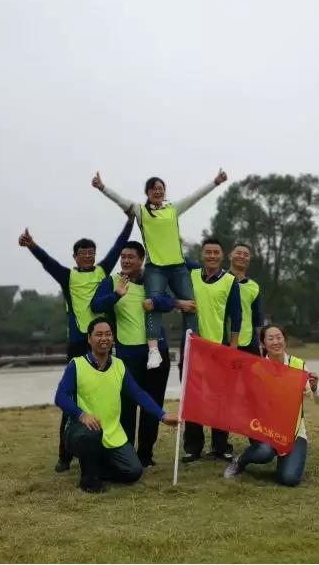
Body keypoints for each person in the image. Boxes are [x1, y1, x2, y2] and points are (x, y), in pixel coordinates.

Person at [18, 217, 133, 472]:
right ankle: (65, 456)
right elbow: (48, 263)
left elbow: (118, 246)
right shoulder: (67, 276)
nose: (88, 257)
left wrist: (129, 221)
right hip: (79, 344)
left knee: (108, 395)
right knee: (72, 398)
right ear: (75, 257)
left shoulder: (103, 271)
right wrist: (32, 245)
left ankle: (109, 448)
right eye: (83, 253)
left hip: (103, 342)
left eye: (91, 253)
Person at [91, 170, 228, 370]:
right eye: (154, 188)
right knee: (151, 304)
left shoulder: (173, 209)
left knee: (191, 305)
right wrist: (102, 188)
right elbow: (121, 201)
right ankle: (153, 350)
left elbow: (195, 197)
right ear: (147, 192)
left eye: (161, 188)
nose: (157, 191)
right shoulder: (141, 211)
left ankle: (194, 346)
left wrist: (215, 182)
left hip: (178, 266)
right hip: (155, 267)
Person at [55, 317, 179, 493]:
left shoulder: (119, 365)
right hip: (80, 430)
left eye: (108, 334)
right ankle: (89, 481)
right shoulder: (77, 365)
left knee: (134, 472)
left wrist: (162, 415)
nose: (104, 338)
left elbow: (138, 394)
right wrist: (82, 415)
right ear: (89, 339)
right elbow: (61, 397)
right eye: (98, 334)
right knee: (90, 435)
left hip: (112, 433)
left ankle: (96, 467)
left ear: (113, 338)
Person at [90, 240, 173, 467]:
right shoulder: (112, 281)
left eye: (131, 257)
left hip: (157, 353)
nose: (125, 261)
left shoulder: (154, 280)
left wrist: (155, 301)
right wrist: (116, 295)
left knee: (152, 404)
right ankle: (127, 454)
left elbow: (169, 302)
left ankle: (145, 455)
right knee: (126, 406)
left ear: (141, 259)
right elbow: (95, 306)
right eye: (123, 257)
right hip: (127, 355)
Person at [224, 324, 319, 486]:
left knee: (289, 479)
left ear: (285, 340)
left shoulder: (298, 365)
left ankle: (285, 458)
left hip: (293, 431)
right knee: (264, 452)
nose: (276, 342)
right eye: (270, 338)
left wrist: (314, 388)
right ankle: (240, 461)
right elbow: (245, 400)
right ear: (263, 344)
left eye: (279, 337)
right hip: (264, 429)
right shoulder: (257, 368)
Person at [180, 237, 242, 463]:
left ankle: (220, 446)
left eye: (216, 252)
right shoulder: (192, 274)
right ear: (202, 254)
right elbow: (176, 257)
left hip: (219, 348)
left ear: (223, 256)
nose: (212, 256)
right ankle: (193, 448)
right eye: (208, 252)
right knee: (193, 398)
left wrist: (233, 347)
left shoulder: (230, 281)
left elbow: (237, 316)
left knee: (220, 400)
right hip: (192, 346)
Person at [228, 243, 263, 355]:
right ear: (230, 256)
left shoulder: (254, 287)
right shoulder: (220, 280)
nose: (242, 257)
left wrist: (262, 344)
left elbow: (257, 319)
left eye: (246, 255)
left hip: (249, 344)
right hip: (223, 341)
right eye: (238, 253)